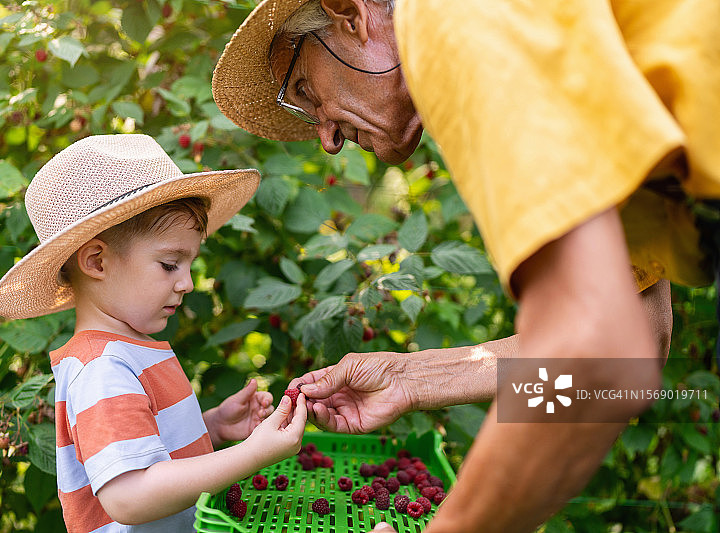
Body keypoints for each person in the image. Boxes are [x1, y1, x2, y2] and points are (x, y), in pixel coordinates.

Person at [212, 0, 719, 531]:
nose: (327, 139)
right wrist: (411, 379)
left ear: (350, 15)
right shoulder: (547, 47)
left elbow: (591, 355)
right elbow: (628, 358)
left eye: (308, 94)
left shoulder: (449, 17)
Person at [0, 134, 308, 532]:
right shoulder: (103, 369)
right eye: (170, 264)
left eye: (189, 263)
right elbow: (128, 496)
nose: (187, 283)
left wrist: (211, 425)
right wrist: (251, 454)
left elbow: (145, 452)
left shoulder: (130, 350)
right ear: (96, 261)